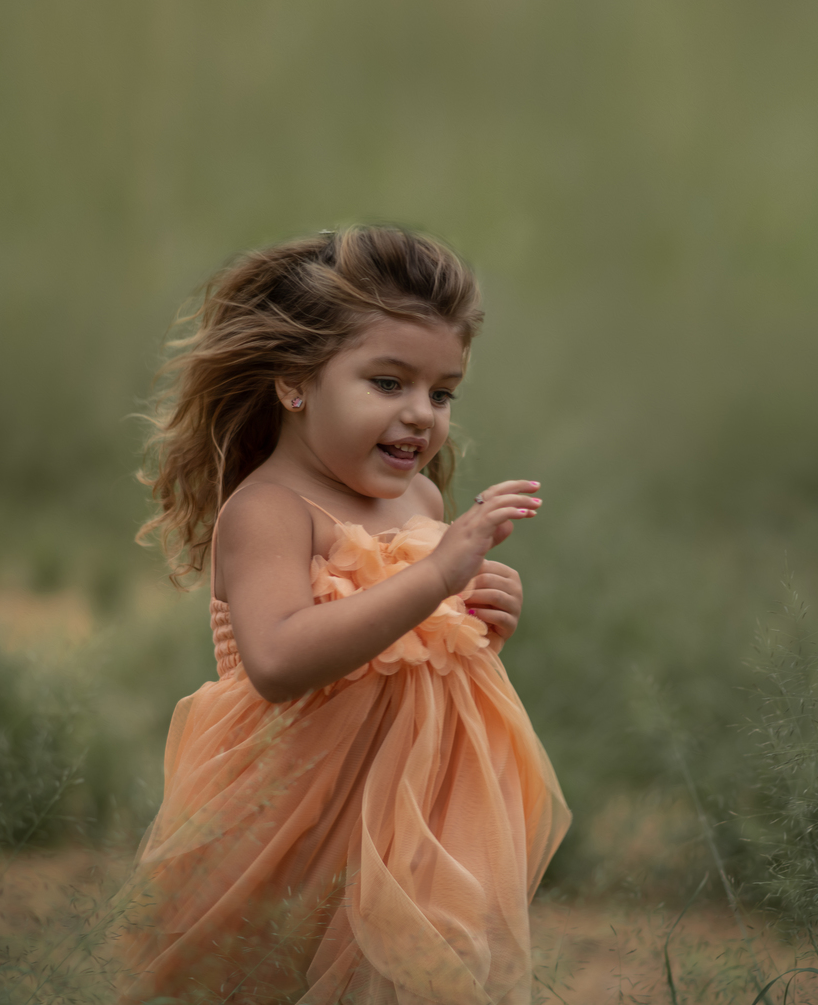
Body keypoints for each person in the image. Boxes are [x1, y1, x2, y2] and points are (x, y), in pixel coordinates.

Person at [117, 226, 569, 1004]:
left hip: (414, 821)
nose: (422, 414)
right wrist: (434, 579)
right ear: (295, 383)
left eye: (442, 391)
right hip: (294, 820)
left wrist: (482, 613)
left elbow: (418, 644)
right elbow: (281, 661)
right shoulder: (269, 511)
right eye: (387, 383)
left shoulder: (419, 500)